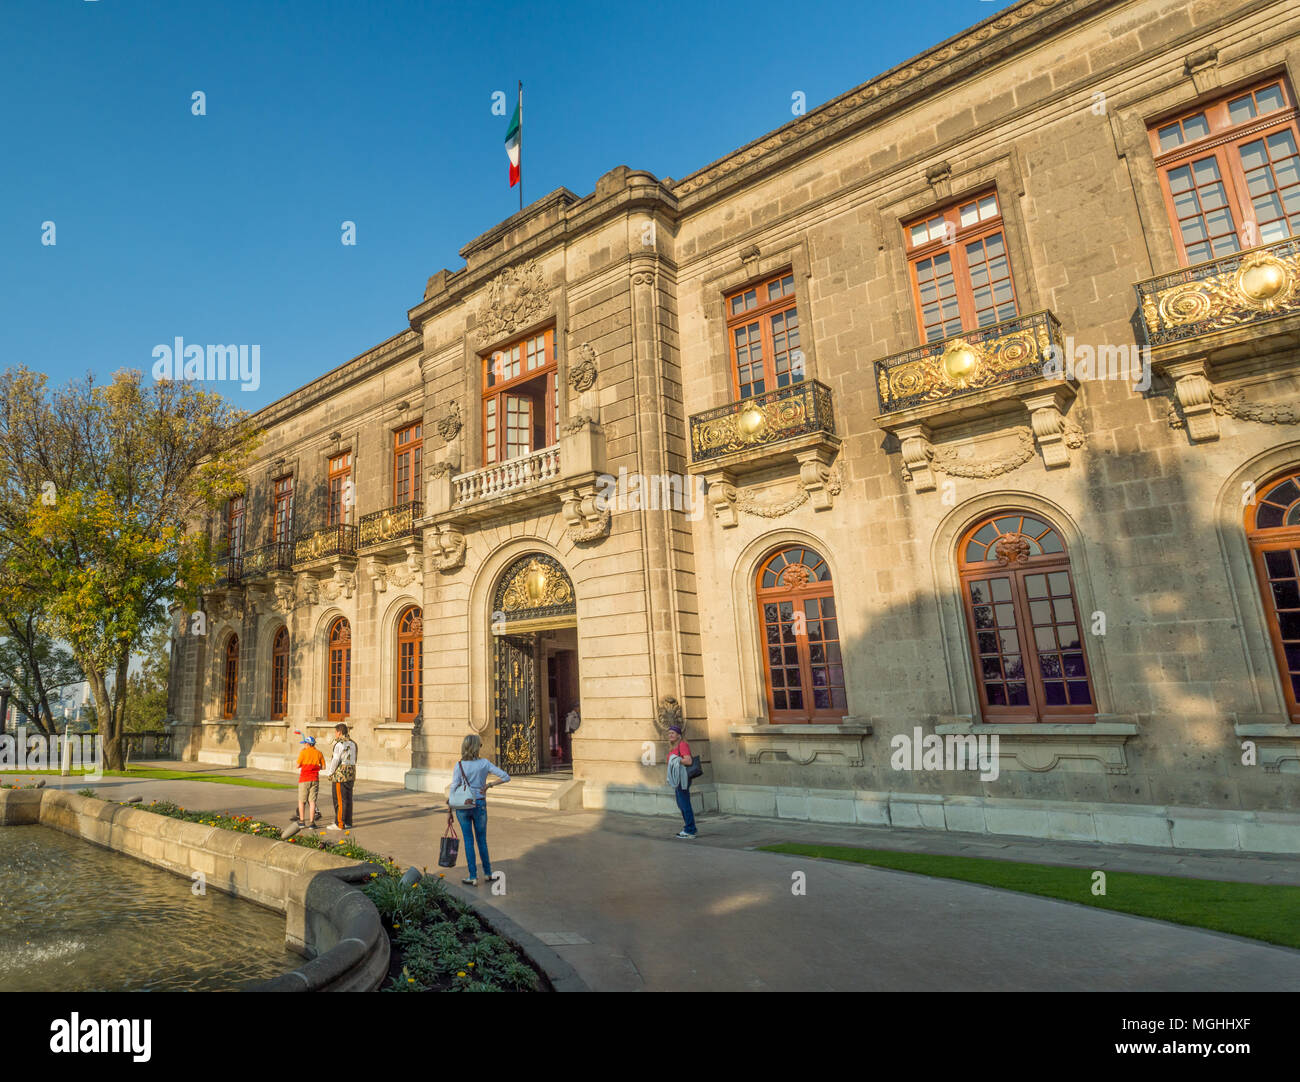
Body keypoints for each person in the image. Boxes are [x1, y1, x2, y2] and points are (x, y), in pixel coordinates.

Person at [449, 733, 509, 887]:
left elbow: (454, 786)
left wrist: (450, 805)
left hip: (463, 806)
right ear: (477, 747)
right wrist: (489, 785)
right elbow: (505, 776)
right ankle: (488, 873)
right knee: (482, 840)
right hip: (480, 804)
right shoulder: (484, 764)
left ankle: (473, 876)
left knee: (469, 841)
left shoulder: (459, 765)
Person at [321, 723, 358, 830]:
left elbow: (335, 760)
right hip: (351, 773)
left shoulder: (339, 744)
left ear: (339, 732)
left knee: (339, 800)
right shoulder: (353, 743)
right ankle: (348, 822)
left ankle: (339, 823)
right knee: (348, 799)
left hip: (340, 775)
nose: (335, 734)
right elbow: (355, 758)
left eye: (335, 732)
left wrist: (330, 773)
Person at [666, 725, 696, 839]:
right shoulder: (673, 747)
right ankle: (689, 828)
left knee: (684, 804)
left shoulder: (682, 745)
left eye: (673, 733)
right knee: (681, 804)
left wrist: (677, 760)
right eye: (669, 734)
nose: (670, 735)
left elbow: (688, 760)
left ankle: (690, 830)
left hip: (682, 779)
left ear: (679, 735)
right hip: (677, 779)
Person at [295, 736, 326, 827]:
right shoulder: (319, 753)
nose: (304, 745)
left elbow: (297, 765)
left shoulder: (303, 752)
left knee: (302, 801)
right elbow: (324, 767)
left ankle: (302, 821)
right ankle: (312, 823)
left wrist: (303, 765)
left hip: (304, 779)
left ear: (308, 744)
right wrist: (315, 768)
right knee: (312, 801)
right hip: (315, 779)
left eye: (305, 743)